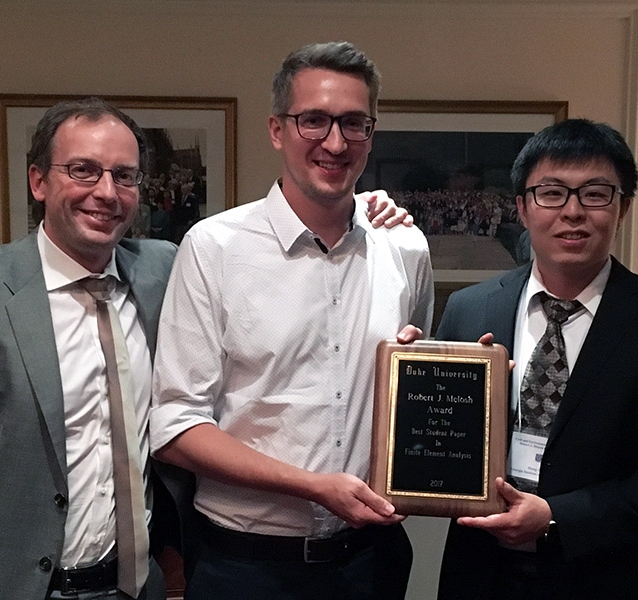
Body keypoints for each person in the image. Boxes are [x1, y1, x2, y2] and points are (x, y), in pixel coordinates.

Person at [149, 41, 434, 600]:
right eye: (315, 121)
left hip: (370, 563)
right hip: (246, 567)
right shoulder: (214, 247)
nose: (335, 142)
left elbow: (411, 390)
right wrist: (314, 487)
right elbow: (176, 427)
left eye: (354, 123)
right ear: (277, 129)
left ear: (370, 134)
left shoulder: (405, 247)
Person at [0, 97, 189, 600]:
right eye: (83, 171)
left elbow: (243, 261)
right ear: (39, 181)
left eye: (124, 176)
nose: (106, 192)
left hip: (135, 589)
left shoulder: (163, 272)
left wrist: (358, 211)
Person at [435, 118, 638, 600]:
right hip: (481, 575)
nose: (572, 212)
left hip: (611, 577)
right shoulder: (469, 310)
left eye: (594, 194)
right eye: (551, 193)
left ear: (622, 207)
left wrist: (556, 517)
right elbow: (441, 438)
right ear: (522, 208)